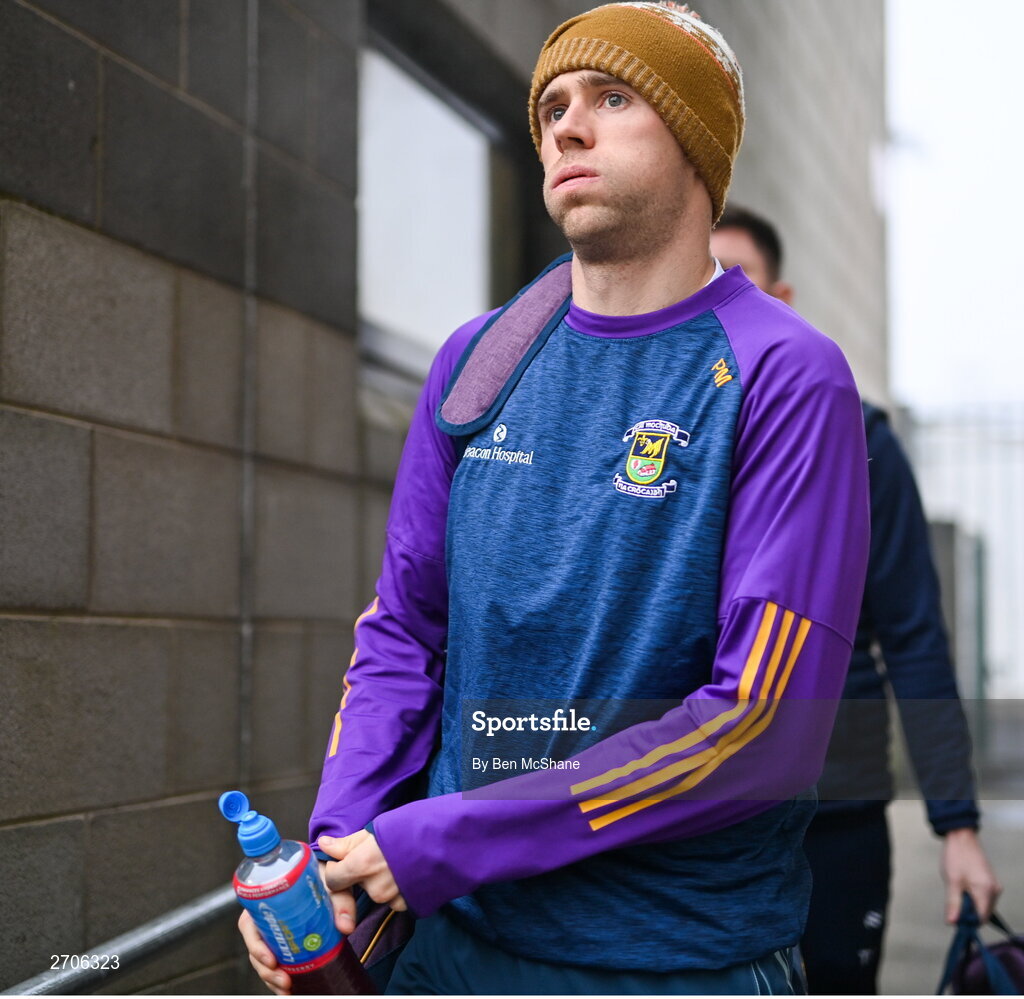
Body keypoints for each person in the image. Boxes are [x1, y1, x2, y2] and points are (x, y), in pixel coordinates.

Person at [241, 4, 870, 994]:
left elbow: (764, 726)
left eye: (612, 98)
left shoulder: (785, 374)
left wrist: (444, 842)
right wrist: (341, 858)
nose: (565, 128)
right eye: (551, 109)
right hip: (447, 953)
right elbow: (405, 630)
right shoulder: (479, 356)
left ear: (697, 143)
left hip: (669, 964)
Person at [711, 205, 1003, 995]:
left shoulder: (864, 442)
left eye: (741, 284)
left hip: (836, 816)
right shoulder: (668, 442)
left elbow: (915, 639)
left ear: (785, 297)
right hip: (699, 821)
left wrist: (958, 825)